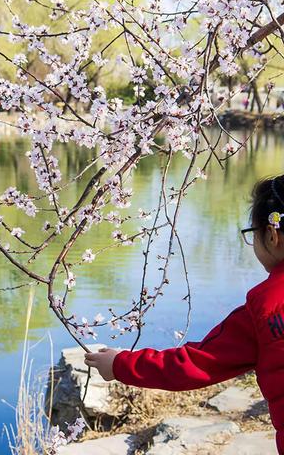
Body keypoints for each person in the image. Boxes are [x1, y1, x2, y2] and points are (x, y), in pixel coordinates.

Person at [85, 175, 284, 454]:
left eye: (253, 235)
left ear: (272, 236)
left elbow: (195, 364)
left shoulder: (265, 307)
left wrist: (120, 365)